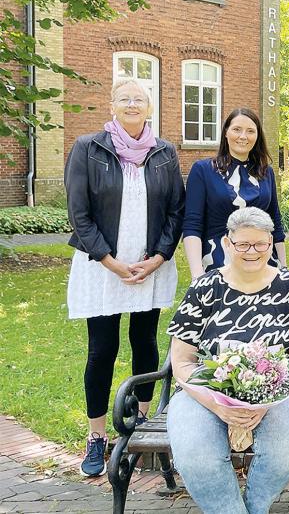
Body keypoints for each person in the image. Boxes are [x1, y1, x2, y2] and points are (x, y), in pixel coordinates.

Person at [65, 77, 185, 477]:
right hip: (103, 268)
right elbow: (78, 212)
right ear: (112, 104)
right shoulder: (88, 148)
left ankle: (141, 422)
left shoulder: (165, 153)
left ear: (150, 108)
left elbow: (175, 212)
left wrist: (157, 257)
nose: (132, 104)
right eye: (124, 98)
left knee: (145, 342)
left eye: (139, 99)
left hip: (150, 265)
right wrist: (109, 260)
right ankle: (97, 436)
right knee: (102, 350)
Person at [166, 207, 289, 514]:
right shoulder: (205, 287)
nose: (252, 252)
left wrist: (269, 399)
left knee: (288, 448)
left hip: (278, 392)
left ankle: (255, 507)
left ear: (271, 243)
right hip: (204, 393)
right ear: (226, 243)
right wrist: (217, 405)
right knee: (196, 455)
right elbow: (181, 360)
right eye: (242, 244)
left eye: (261, 244)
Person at [183, 107, 286, 279]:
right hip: (219, 264)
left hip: (263, 262)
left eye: (250, 131)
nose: (243, 136)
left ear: (257, 136)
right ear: (225, 133)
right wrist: (197, 275)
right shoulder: (203, 170)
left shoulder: (266, 172)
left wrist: (283, 267)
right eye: (237, 129)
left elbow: (275, 221)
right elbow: (192, 225)